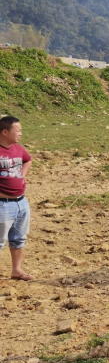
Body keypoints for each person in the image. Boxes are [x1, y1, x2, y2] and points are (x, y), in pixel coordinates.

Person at [0, 117, 33, 281]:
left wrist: (22, 176)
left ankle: (16, 270)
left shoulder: (18, 149)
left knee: (19, 239)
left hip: (21, 202)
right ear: (5, 132)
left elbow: (28, 160)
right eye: (17, 130)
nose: (21, 133)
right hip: (2, 205)